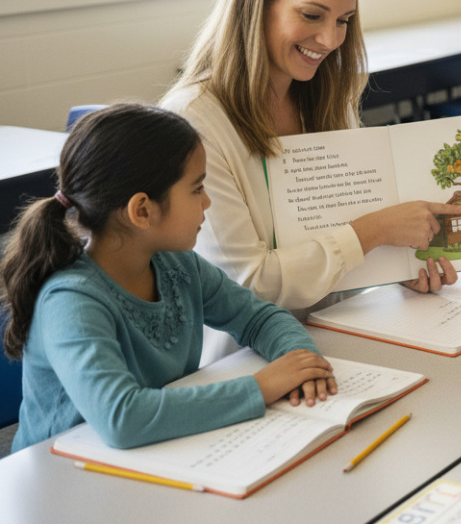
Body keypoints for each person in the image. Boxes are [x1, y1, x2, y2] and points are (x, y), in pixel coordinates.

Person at [161, 0, 461, 324]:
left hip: (340, 331)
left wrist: (396, 266)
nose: (330, 40)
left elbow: (336, 254)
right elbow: (247, 284)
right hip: (248, 352)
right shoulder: (193, 120)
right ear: (255, 4)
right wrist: (374, 231)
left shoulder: (329, 101)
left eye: (343, 20)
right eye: (311, 15)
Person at [1, 105, 335, 452]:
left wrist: (302, 362)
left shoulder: (178, 265)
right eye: (197, 189)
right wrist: (260, 388)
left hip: (157, 452)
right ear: (142, 210)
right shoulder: (71, 301)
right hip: (63, 471)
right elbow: (123, 418)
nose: (207, 202)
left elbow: (259, 318)